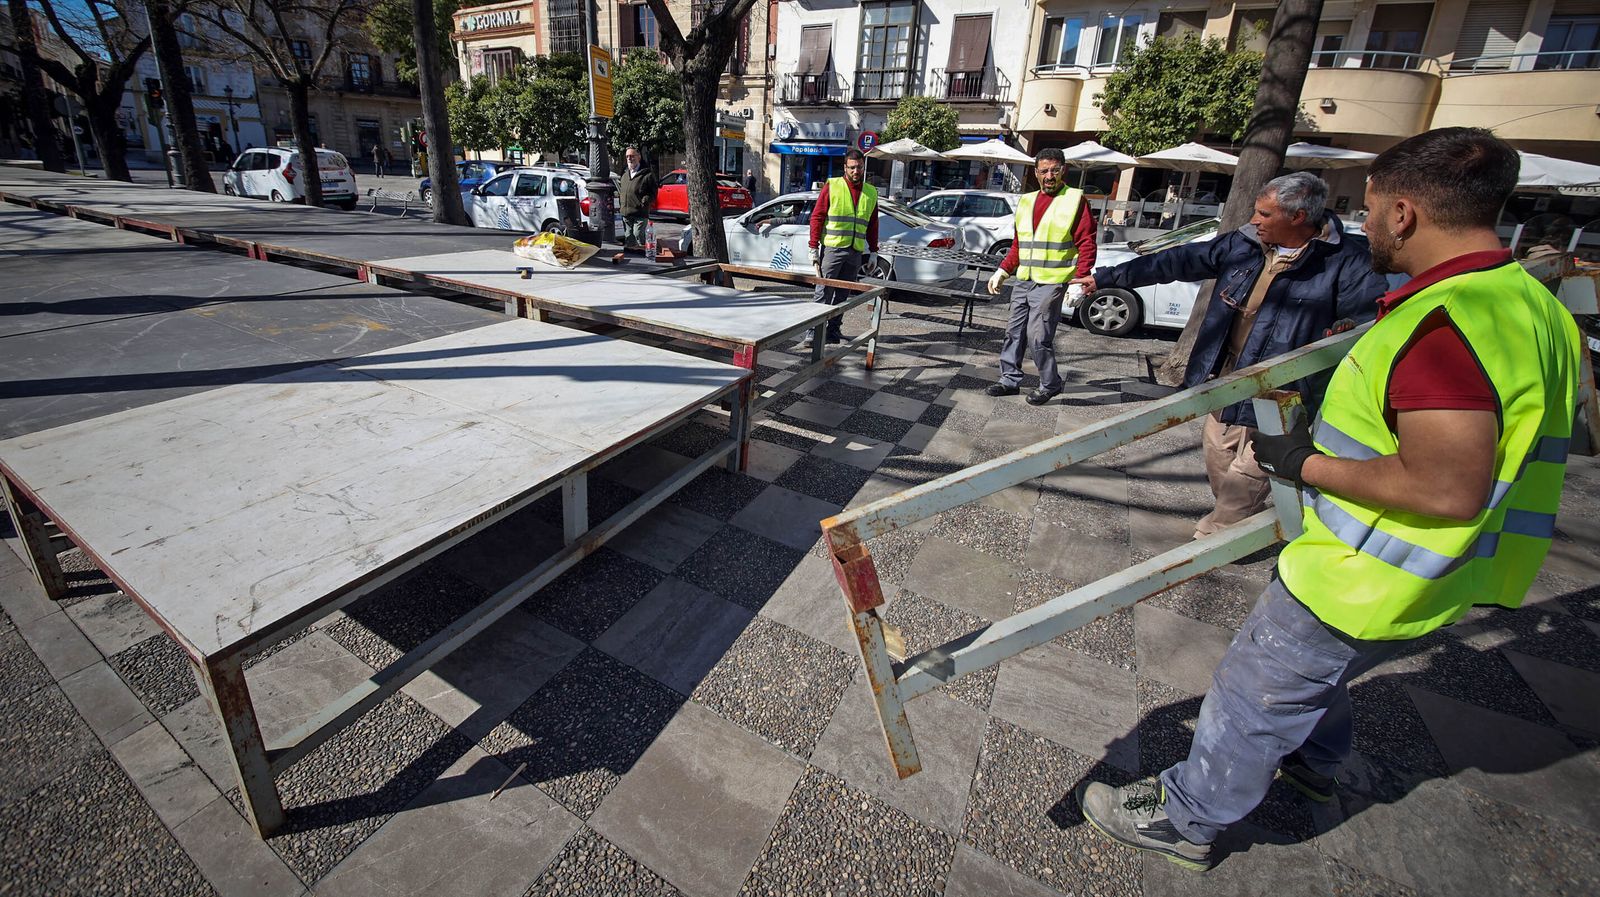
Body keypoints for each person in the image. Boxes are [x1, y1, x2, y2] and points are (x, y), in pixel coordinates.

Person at [1075, 127, 1585, 872]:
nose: (1366, 223)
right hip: (1443, 567)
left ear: (1405, 214)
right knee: (1320, 673)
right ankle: (1318, 762)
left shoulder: (1444, 327)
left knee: (1257, 687)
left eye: (1371, 207)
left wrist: (1307, 463)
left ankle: (1186, 817)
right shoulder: (1529, 305)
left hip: (1363, 563)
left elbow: (1445, 484)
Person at [1073, 172, 1390, 538]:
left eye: (1265, 214)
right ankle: (1247, 522)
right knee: (1219, 455)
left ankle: (1214, 538)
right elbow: (1177, 260)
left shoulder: (1348, 262)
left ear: (1298, 217)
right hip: (1228, 379)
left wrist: (1342, 331)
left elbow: (1364, 324)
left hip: (1286, 392)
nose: (1255, 220)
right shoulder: (1244, 245)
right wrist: (1109, 277)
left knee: (1250, 471)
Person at [984, 147, 1098, 405]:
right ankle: (1009, 380)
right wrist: (1003, 270)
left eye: (1054, 170)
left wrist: (1081, 280)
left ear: (1063, 171)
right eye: (1044, 170)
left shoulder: (1075, 200)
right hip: (1024, 278)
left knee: (1038, 336)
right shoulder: (1026, 201)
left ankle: (1050, 383)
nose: (1049, 176)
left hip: (1052, 281)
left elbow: (1087, 243)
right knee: (1013, 332)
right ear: (1036, 173)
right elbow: (1019, 245)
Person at [806, 148, 879, 346]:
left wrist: (873, 251)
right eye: (852, 167)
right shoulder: (833, 185)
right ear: (845, 168)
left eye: (860, 167)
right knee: (824, 291)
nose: (856, 171)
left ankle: (833, 330)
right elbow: (817, 216)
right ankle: (813, 331)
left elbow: (872, 224)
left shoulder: (871, 192)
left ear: (864, 168)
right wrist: (813, 246)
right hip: (833, 249)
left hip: (855, 251)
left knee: (843, 294)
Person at [618, 146, 657, 250]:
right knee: (628, 237)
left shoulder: (647, 175)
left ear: (639, 157)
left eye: (632, 156)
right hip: (626, 212)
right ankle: (632, 258)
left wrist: (645, 200)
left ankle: (645, 257)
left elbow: (653, 193)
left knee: (638, 235)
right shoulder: (625, 174)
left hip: (640, 212)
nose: (630, 159)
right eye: (627, 156)